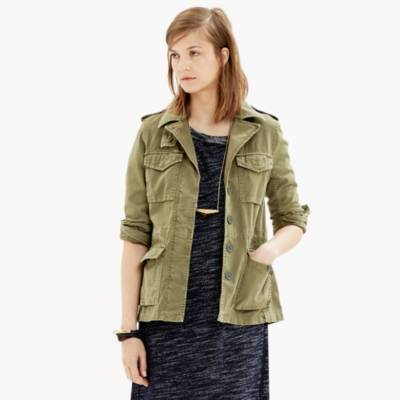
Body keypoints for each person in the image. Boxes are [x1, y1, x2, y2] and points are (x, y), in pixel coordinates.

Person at [116, 6, 310, 400]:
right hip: (166, 321)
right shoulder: (153, 133)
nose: (182, 65)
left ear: (223, 55)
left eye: (194, 53)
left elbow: (292, 217)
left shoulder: (264, 132)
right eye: (175, 55)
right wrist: (128, 332)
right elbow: (135, 234)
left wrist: (269, 251)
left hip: (239, 316)